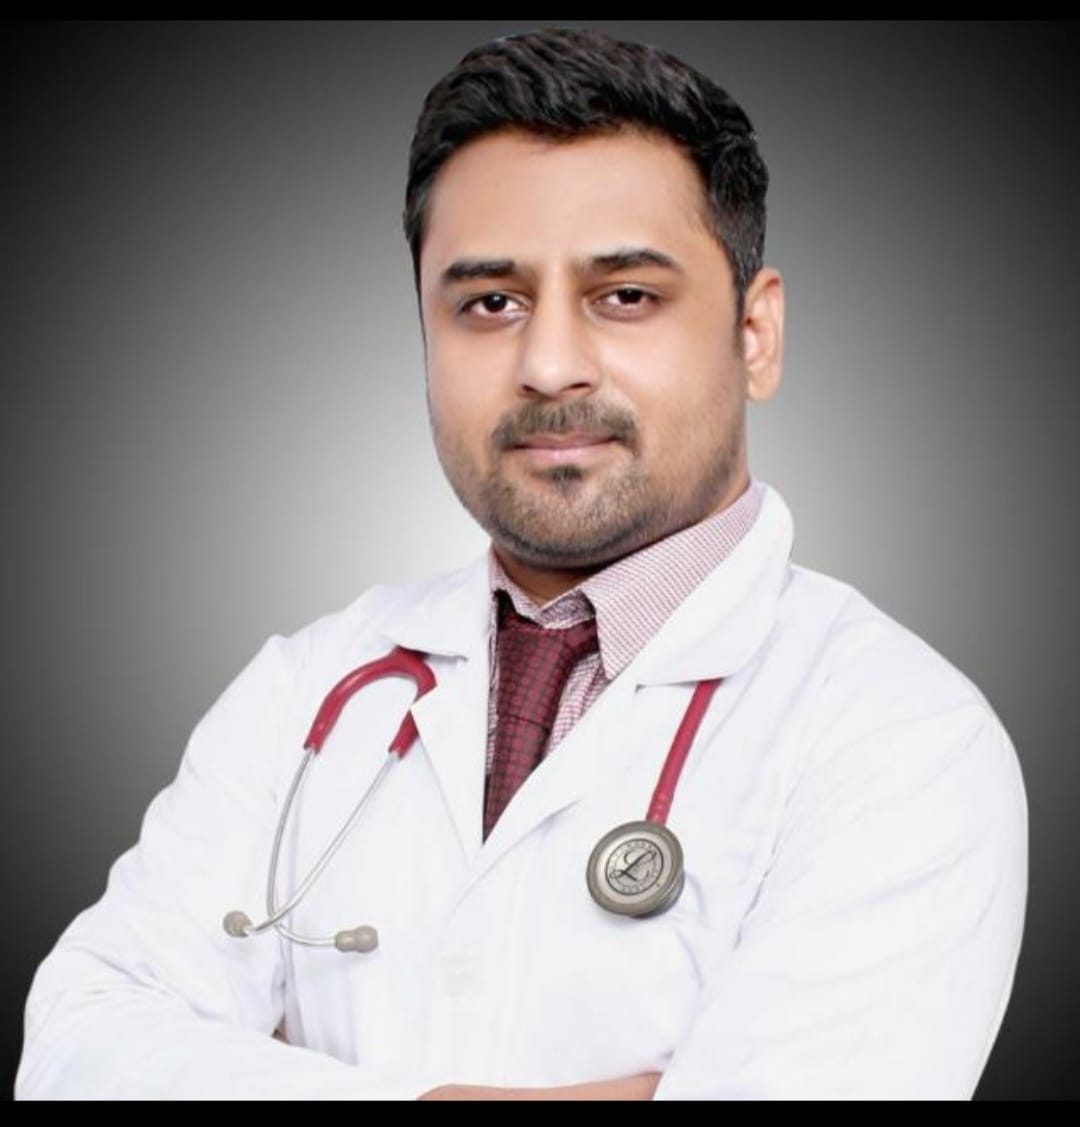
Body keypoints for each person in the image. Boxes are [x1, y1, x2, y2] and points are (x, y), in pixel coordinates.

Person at [15, 26, 1028, 1101]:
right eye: (490, 303)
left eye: (625, 294)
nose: (548, 364)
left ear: (756, 333)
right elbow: (78, 1042)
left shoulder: (901, 735)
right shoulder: (307, 686)